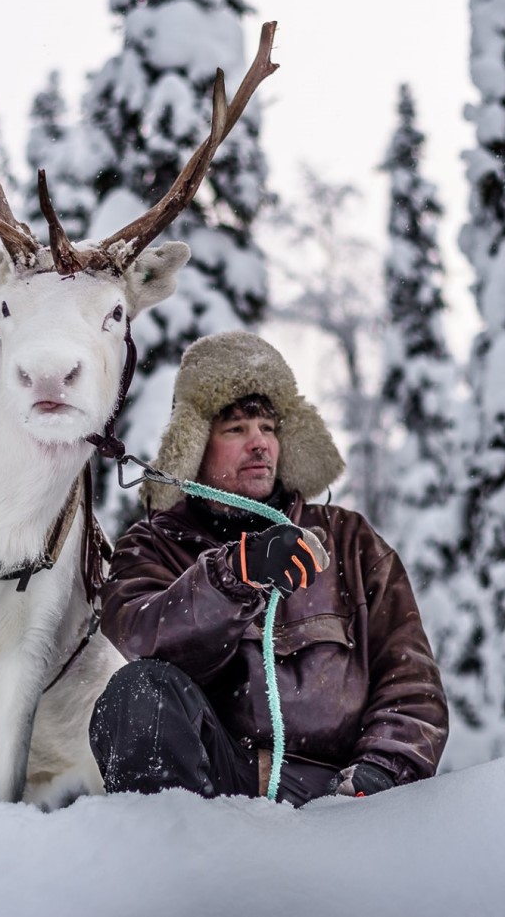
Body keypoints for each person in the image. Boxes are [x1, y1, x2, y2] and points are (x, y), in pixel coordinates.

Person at [90, 331, 447, 806]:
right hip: (209, 789)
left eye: (269, 428)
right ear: (195, 445)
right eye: (236, 429)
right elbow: (139, 636)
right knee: (135, 692)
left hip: (335, 793)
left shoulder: (350, 541)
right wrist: (232, 575)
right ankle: (173, 863)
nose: (259, 443)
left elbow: (410, 682)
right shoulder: (151, 546)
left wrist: (382, 770)